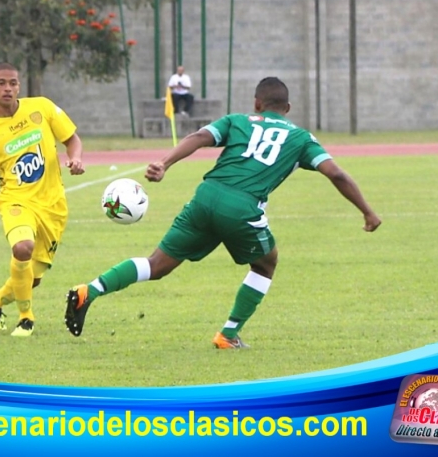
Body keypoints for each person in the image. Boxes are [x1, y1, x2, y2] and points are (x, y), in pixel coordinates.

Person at [65, 76, 381, 348]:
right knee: (266, 263)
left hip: (205, 196)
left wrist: (165, 162)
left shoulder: (237, 120)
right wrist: (367, 211)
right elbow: (336, 174)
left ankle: (88, 290)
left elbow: (198, 137)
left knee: (157, 264)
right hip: (242, 207)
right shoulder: (300, 138)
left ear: (257, 103)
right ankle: (228, 335)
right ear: (287, 109)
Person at [0, 62, 85, 337]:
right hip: (15, 202)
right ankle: (26, 317)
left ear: (19, 86)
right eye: (1, 83)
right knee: (22, 248)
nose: (7, 88)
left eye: (13, 83)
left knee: (30, 280)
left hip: (53, 205)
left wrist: (75, 158)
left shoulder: (42, 108)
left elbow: (72, 140)